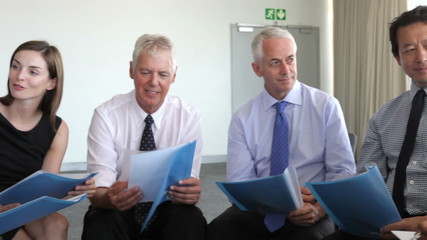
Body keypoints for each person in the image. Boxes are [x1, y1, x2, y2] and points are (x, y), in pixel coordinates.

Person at [207, 27, 356, 240]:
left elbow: (342, 172)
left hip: (313, 208)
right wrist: (279, 201)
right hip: (262, 210)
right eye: (275, 62)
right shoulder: (243, 118)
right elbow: (240, 184)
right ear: (257, 69)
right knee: (219, 230)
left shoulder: (326, 106)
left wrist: (319, 209)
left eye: (290, 59)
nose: (286, 70)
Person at [81, 34, 206, 240]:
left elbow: (189, 180)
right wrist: (109, 197)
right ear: (131, 70)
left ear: (174, 75)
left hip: (167, 206)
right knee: (101, 222)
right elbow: (98, 191)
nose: (154, 82)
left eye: (163, 74)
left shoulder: (188, 116)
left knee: (190, 219)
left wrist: (189, 192)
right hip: (118, 207)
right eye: (145, 72)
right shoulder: (106, 115)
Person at [323, 5, 427, 240]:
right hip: (388, 224)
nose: (421, 57)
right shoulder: (384, 115)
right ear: (397, 58)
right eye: (409, 49)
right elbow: (368, 178)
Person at [0, 40, 96, 240]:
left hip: (19, 204)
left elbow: (43, 192)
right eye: (15, 66)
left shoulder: (57, 129)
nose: (19, 76)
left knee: (58, 223)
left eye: (32, 72)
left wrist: (72, 190)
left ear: (52, 82)